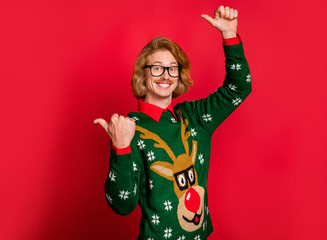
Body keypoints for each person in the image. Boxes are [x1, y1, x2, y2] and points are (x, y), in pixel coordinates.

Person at [94, 5, 252, 239]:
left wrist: (229, 35)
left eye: (172, 68)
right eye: (157, 68)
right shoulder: (130, 129)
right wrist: (121, 149)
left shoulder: (195, 116)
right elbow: (122, 204)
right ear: (143, 75)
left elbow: (239, 87)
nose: (166, 75)